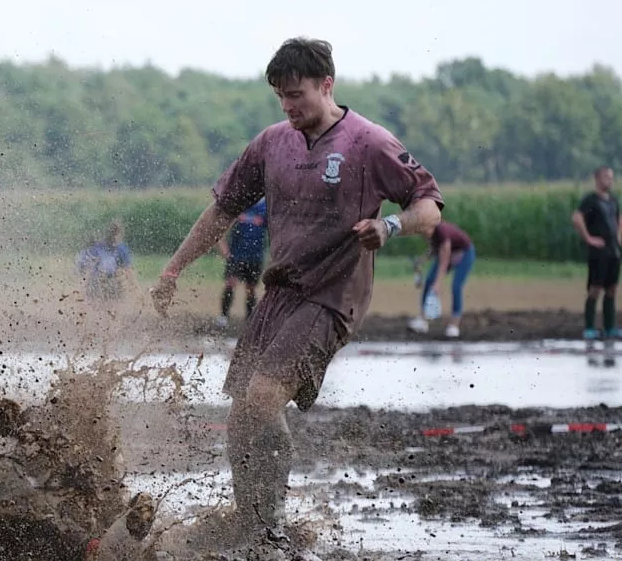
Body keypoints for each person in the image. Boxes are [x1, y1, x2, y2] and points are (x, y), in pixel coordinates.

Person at [150, 38, 443, 536]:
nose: (288, 107)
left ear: (326, 86)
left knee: (263, 398)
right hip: (280, 293)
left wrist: (390, 227)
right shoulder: (271, 144)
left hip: (333, 294)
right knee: (243, 412)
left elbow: (430, 208)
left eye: (297, 95)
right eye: (280, 97)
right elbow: (222, 211)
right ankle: (250, 524)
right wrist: (174, 269)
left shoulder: (368, 142)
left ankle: (271, 529)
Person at [571, 166, 621, 340]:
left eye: (611, 177)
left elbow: (618, 219)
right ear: (598, 179)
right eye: (607, 177)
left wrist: (618, 239)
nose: (610, 180)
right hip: (599, 252)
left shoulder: (613, 200)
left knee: (612, 289)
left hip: (613, 251)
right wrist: (589, 238)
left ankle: (610, 327)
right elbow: (577, 218)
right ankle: (590, 327)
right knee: (596, 288)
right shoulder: (590, 200)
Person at [407, 219, 475, 338]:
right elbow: (434, 249)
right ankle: (422, 321)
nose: (424, 235)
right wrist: (422, 260)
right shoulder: (431, 233)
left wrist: (438, 283)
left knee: (456, 286)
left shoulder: (442, 232)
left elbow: (444, 259)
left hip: (465, 253)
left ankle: (454, 325)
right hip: (449, 253)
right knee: (428, 282)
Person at [216, 197, 268, 327]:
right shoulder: (239, 206)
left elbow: (274, 232)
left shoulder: (264, 209)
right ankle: (223, 316)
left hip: (255, 257)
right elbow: (220, 229)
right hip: (236, 256)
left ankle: (249, 320)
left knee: (250, 289)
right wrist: (225, 251)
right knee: (230, 284)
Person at [76, 220, 136, 303]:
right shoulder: (117, 248)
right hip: (102, 283)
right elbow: (129, 271)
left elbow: (88, 270)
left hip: (105, 283)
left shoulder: (118, 248)